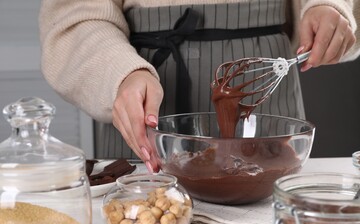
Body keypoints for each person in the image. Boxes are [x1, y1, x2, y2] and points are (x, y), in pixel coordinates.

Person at [39, 0, 360, 172]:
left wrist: (331, 6)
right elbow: (74, 20)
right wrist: (123, 74)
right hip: (148, 99)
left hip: (264, 105)